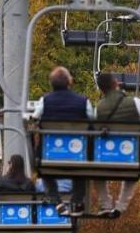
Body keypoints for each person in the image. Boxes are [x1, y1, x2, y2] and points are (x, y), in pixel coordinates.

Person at [30, 65, 95, 216]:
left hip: (50, 153)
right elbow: (93, 121)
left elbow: (35, 118)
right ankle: (78, 199)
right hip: (77, 153)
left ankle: (55, 199)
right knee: (80, 172)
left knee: (44, 171)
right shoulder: (83, 101)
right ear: (69, 82)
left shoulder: (44, 101)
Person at [93, 71, 140, 219]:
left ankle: (106, 204)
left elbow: (95, 127)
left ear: (102, 90)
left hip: (105, 158)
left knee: (97, 173)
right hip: (130, 156)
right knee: (131, 175)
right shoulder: (134, 103)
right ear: (116, 83)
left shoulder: (99, 108)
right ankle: (121, 206)